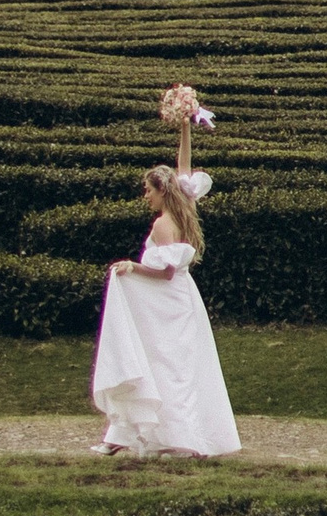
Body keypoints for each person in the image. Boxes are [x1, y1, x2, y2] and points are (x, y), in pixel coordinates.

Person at [91, 163, 241, 458]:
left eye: (148, 190)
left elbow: (167, 272)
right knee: (175, 368)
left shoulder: (163, 224)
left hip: (167, 304)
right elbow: (183, 166)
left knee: (164, 366)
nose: (145, 196)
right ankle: (139, 436)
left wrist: (131, 267)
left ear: (162, 190)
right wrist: (185, 124)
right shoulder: (184, 209)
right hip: (182, 300)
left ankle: (151, 436)